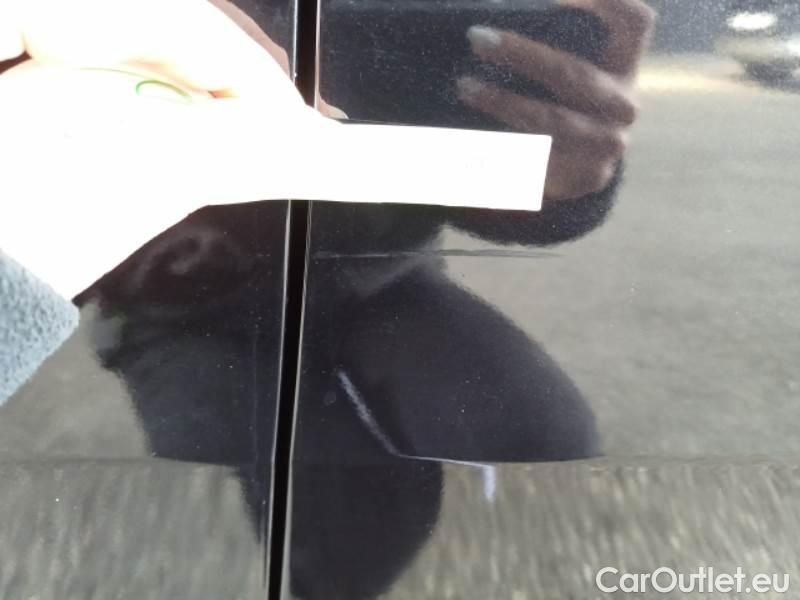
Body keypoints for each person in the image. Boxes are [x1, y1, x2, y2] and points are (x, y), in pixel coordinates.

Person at [1, 0, 654, 597]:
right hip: (182, 316)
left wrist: (559, 181)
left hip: (381, 280)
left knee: (538, 434)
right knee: (312, 514)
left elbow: (456, 148)